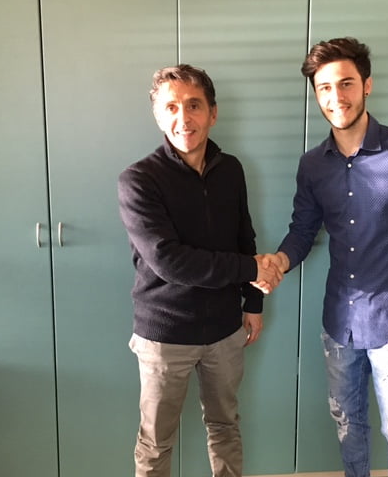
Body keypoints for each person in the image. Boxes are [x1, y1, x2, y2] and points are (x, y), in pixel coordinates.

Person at [256, 38, 388, 477]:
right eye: (324, 88)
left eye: (346, 83)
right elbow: (303, 230)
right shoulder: (313, 165)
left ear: (367, 85)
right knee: (348, 428)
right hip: (339, 324)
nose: (336, 97)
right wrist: (278, 263)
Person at [118, 64, 282, 477]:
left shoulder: (231, 170)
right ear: (158, 116)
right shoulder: (139, 180)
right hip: (164, 335)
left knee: (225, 426)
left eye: (194, 105)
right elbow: (170, 261)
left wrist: (253, 302)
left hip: (225, 330)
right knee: (156, 441)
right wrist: (251, 268)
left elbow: (244, 236)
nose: (183, 118)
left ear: (213, 113)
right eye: (171, 107)